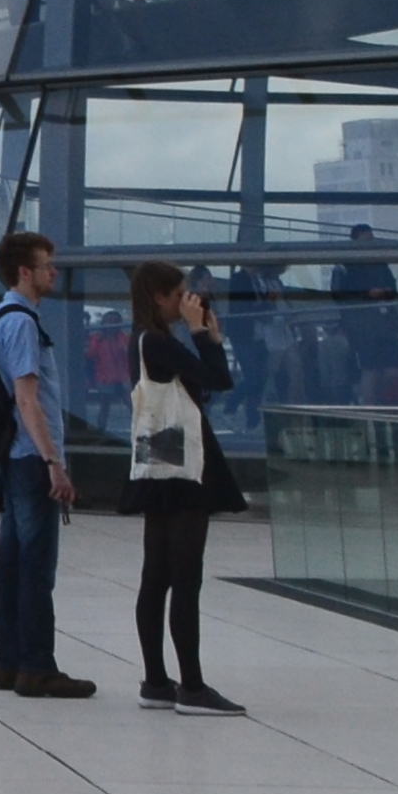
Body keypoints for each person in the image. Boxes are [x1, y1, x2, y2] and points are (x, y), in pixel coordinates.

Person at [123, 260, 246, 714]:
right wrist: (203, 335)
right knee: (183, 576)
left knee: (156, 573)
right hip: (184, 461)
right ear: (158, 296)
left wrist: (200, 337)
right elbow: (218, 379)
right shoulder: (157, 341)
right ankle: (191, 686)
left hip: (158, 454)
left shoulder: (142, 340)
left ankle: (157, 680)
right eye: (178, 294)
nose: (185, 301)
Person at [0, 229, 89, 697]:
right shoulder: (23, 323)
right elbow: (28, 401)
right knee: (35, 566)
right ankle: (37, 666)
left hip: (10, 456)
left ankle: (8, 661)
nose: (54, 272)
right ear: (25, 272)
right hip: (30, 458)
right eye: (47, 265)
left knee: (11, 560)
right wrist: (54, 461)